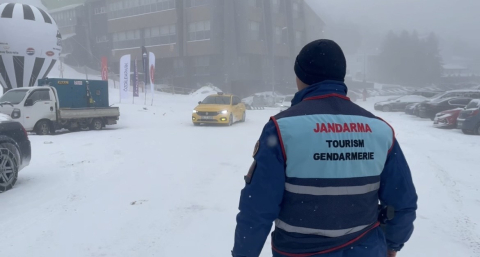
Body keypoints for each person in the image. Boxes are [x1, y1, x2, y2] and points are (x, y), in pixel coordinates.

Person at [232, 39, 418, 257]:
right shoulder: (380, 130)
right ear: (341, 75)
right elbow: (402, 200)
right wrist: (393, 244)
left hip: (299, 252)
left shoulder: (283, 129)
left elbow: (258, 208)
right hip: (366, 249)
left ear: (300, 78)